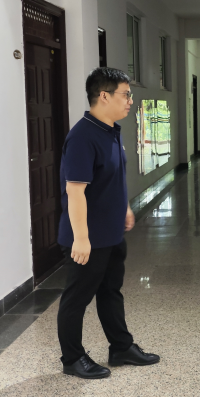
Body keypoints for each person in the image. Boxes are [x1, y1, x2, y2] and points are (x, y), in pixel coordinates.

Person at [56, 67, 160, 379]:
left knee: (110, 292)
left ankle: (121, 347)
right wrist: (81, 238)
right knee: (77, 299)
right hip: (88, 238)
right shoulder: (83, 137)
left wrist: (124, 208)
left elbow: (112, 177)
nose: (130, 100)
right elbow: (75, 191)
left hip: (111, 233)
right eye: (125, 94)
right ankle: (72, 358)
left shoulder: (111, 130)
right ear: (104, 96)